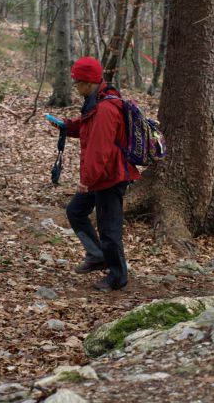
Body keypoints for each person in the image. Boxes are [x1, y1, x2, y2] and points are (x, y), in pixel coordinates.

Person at [52, 56, 140, 291]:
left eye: (77, 82)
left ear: (88, 82)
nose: (75, 86)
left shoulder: (105, 109)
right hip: (101, 176)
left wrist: (86, 180)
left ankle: (117, 277)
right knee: (76, 211)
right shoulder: (96, 102)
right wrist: (66, 126)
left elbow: (100, 149)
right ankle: (97, 254)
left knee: (110, 228)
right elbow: (86, 127)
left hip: (110, 177)